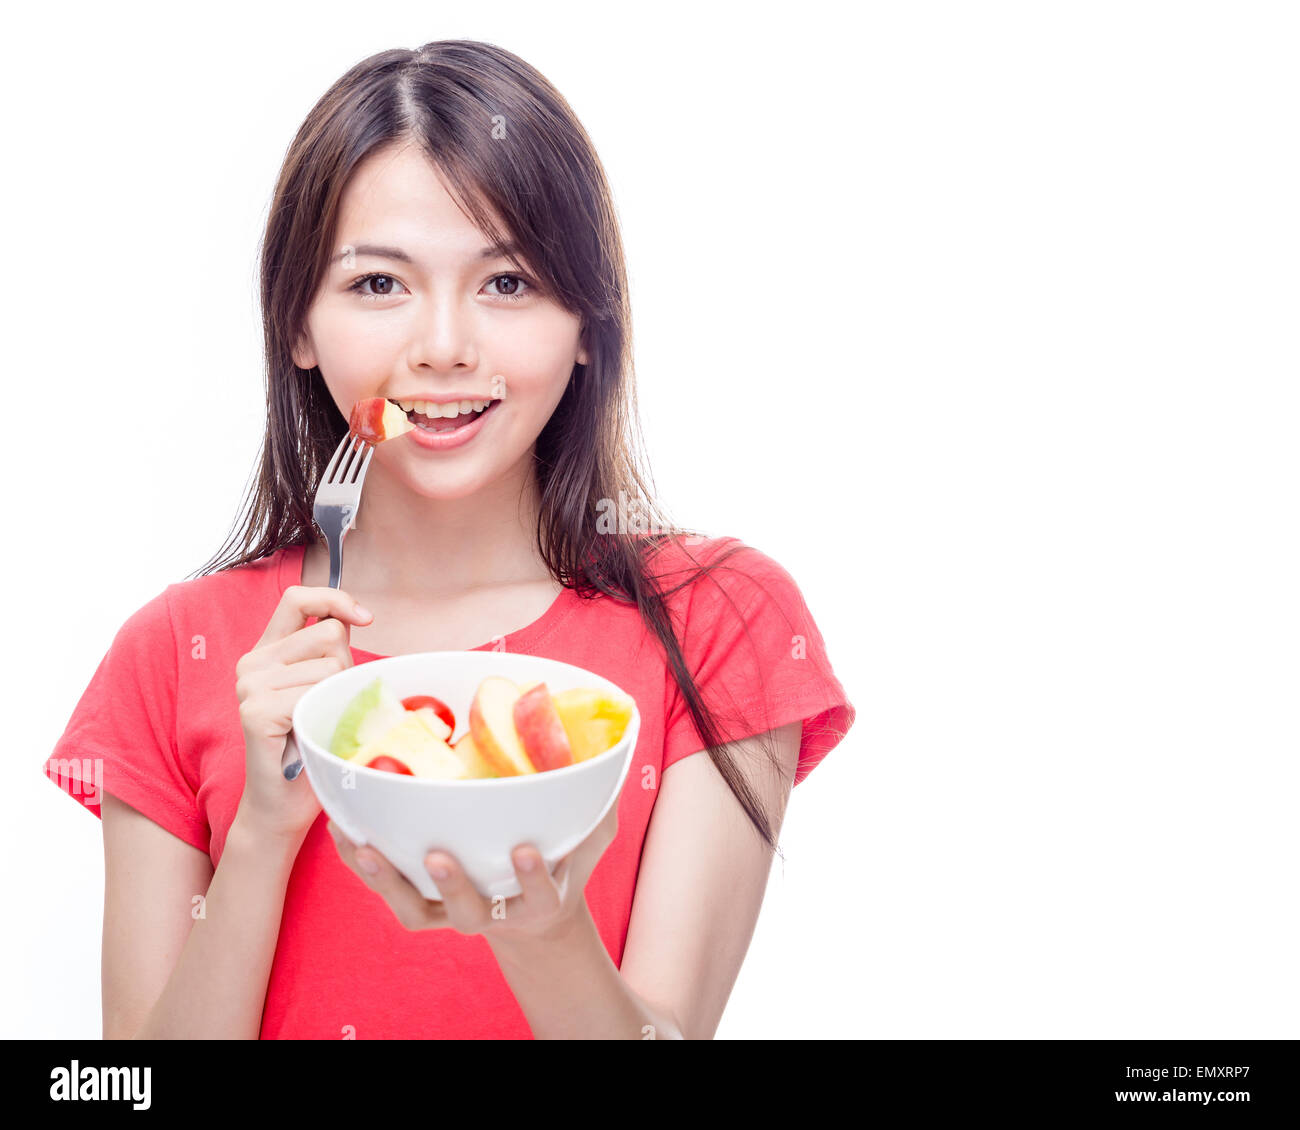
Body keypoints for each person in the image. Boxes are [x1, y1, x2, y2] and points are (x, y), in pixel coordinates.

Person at [43, 39, 855, 1040]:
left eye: (506, 282)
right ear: (297, 324)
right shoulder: (175, 651)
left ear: (588, 322)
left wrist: (544, 929)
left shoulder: (714, 619)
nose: (440, 345)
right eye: (378, 285)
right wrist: (262, 831)